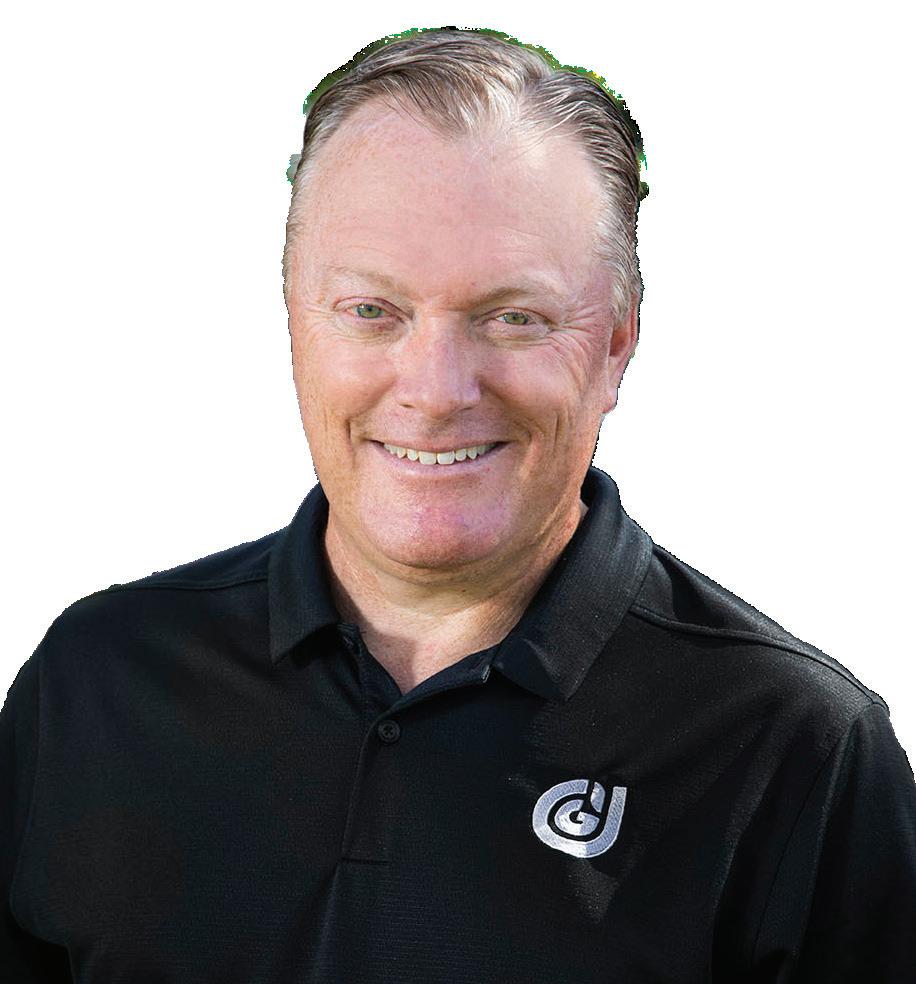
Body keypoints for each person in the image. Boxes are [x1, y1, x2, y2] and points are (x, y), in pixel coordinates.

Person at [2, 25, 915, 983]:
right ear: (294, 321)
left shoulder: (794, 748)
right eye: (372, 311)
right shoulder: (97, 681)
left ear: (616, 342)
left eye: (513, 317)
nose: (436, 390)